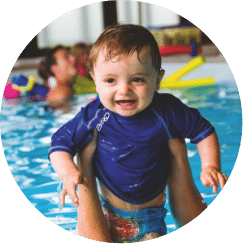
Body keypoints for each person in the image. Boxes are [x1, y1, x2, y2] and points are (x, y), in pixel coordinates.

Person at [49, 24, 227, 242]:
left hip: (150, 217)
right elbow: (59, 144)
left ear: (158, 79)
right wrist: (68, 172)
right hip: (107, 214)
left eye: (137, 79)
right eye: (110, 80)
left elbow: (203, 131)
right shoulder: (95, 116)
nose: (124, 89)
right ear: (94, 79)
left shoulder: (166, 111)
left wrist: (210, 165)